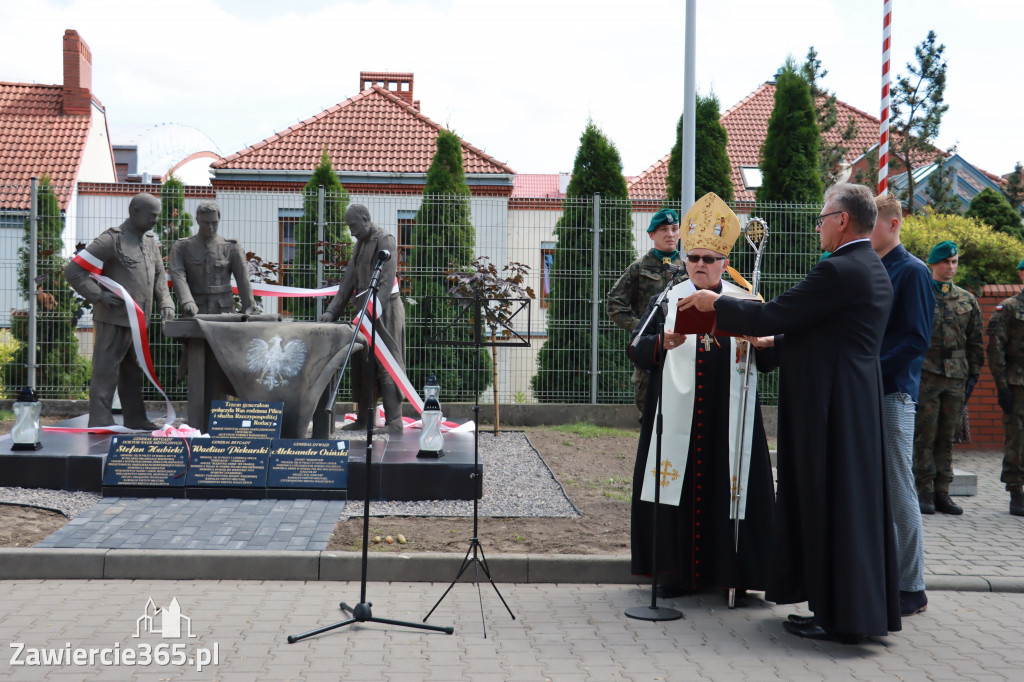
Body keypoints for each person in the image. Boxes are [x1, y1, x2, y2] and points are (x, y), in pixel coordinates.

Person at [679, 183, 900, 643]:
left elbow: (777, 312)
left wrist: (716, 303)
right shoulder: (869, 266)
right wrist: (775, 344)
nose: (818, 225)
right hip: (852, 401)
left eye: (823, 217)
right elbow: (822, 331)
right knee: (840, 506)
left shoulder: (839, 269)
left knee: (831, 504)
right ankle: (836, 607)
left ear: (842, 220)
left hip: (833, 408)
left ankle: (842, 617)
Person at [628, 192, 775, 604]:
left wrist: (761, 341)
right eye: (693, 258)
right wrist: (663, 342)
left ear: (725, 263)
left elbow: (770, 357)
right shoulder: (667, 299)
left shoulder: (746, 301)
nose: (700, 265)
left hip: (731, 422)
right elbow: (637, 349)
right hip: (680, 422)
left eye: (709, 259)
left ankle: (736, 576)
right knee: (679, 490)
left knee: (731, 492)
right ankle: (676, 574)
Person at [871, 193, 934, 617]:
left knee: (898, 490)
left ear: (894, 224)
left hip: (893, 392)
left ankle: (912, 587)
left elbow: (916, 338)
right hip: (869, 390)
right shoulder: (874, 268)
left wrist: (870, 368)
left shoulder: (911, 271)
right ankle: (885, 579)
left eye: (871, 222)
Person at [65, 192, 175, 429]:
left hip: (139, 323)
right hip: (113, 320)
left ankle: (136, 418)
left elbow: (158, 279)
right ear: (135, 212)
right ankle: (100, 422)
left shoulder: (150, 244)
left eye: (158, 215)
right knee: (106, 372)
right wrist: (99, 296)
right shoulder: (110, 240)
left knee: (133, 374)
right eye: (152, 215)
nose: (156, 219)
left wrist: (166, 302)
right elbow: (73, 271)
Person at [319, 204, 405, 433]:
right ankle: (364, 418)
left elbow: (385, 283)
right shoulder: (360, 244)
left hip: (386, 310)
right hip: (363, 311)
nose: (351, 231)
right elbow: (348, 281)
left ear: (366, 219)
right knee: (363, 363)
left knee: (386, 362)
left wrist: (370, 311)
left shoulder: (385, 239)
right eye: (349, 227)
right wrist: (331, 312)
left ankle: (394, 421)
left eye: (354, 225)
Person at [914, 241, 984, 516]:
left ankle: (943, 491)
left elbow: (975, 343)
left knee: (947, 437)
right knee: (924, 435)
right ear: (933, 264)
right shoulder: (921, 295)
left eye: (954, 262)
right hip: (926, 375)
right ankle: (923, 491)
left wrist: (973, 377)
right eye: (945, 262)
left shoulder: (967, 299)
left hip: (956, 377)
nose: (950, 267)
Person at [608, 208, 685, 413]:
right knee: (649, 415)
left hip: (682, 349)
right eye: (663, 230)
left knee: (682, 413)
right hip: (650, 351)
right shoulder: (639, 268)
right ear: (652, 234)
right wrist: (640, 330)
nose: (670, 234)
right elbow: (615, 305)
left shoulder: (688, 269)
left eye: (674, 229)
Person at [984, 258, 1024, 517]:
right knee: (1017, 438)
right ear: (1021, 274)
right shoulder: (1008, 309)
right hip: (1017, 382)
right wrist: (1002, 387)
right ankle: (1016, 490)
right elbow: (996, 348)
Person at [168, 201, 257, 316]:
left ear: (219, 219)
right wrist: (187, 301)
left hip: (224, 310)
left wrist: (250, 309)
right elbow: (178, 275)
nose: (210, 227)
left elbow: (243, 280)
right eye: (206, 223)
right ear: (197, 220)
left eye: (214, 222)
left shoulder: (232, 248)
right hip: (195, 309)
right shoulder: (182, 247)